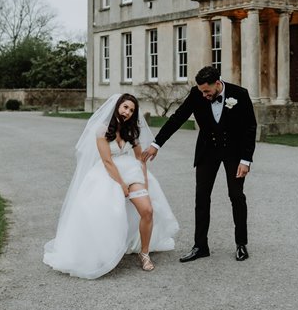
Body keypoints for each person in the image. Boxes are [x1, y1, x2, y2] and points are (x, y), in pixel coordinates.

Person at [44, 93, 179, 278]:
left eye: (132, 110)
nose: (128, 112)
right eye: (125, 107)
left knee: (147, 210)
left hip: (131, 173)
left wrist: (144, 179)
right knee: (110, 213)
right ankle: (105, 252)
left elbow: (140, 158)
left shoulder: (132, 130)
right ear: (117, 107)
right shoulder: (101, 130)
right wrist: (121, 185)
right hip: (108, 174)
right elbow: (107, 161)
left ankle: (144, 253)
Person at [142, 66, 256, 263]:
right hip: (207, 152)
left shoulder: (240, 94)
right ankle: (200, 246)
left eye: (207, 91)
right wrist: (156, 143)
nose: (204, 95)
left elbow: (250, 128)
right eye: (202, 91)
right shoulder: (196, 94)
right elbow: (177, 118)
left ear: (218, 84)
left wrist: (246, 160)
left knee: (236, 196)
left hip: (234, 154)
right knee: (201, 197)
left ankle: (241, 244)